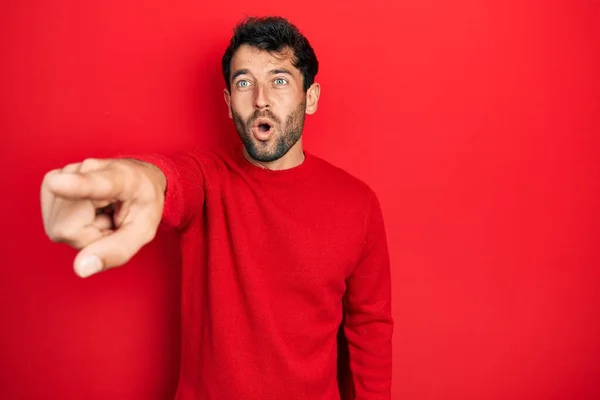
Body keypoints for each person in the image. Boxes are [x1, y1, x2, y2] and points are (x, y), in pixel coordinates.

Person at [40, 16, 393, 400]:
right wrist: (134, 180)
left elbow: (370, 328)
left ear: (310, 98)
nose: (260, 98)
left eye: (279, 80)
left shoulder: (358, 203)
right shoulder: (206, 178)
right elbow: (167, 179)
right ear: (228, 102)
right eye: (244, 83)